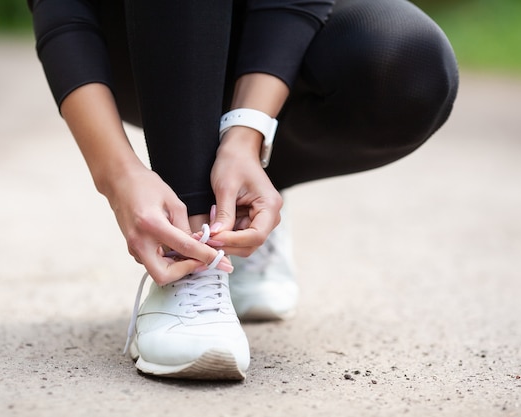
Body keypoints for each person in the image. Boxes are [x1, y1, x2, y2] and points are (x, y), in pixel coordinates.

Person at [28, 0, 459, 380]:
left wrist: (247, 132)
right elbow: (62, 7)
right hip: (139, 33)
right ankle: (192, 248)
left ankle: (237, 210)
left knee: (408, 63)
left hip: (278, 40)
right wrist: (117, 175)